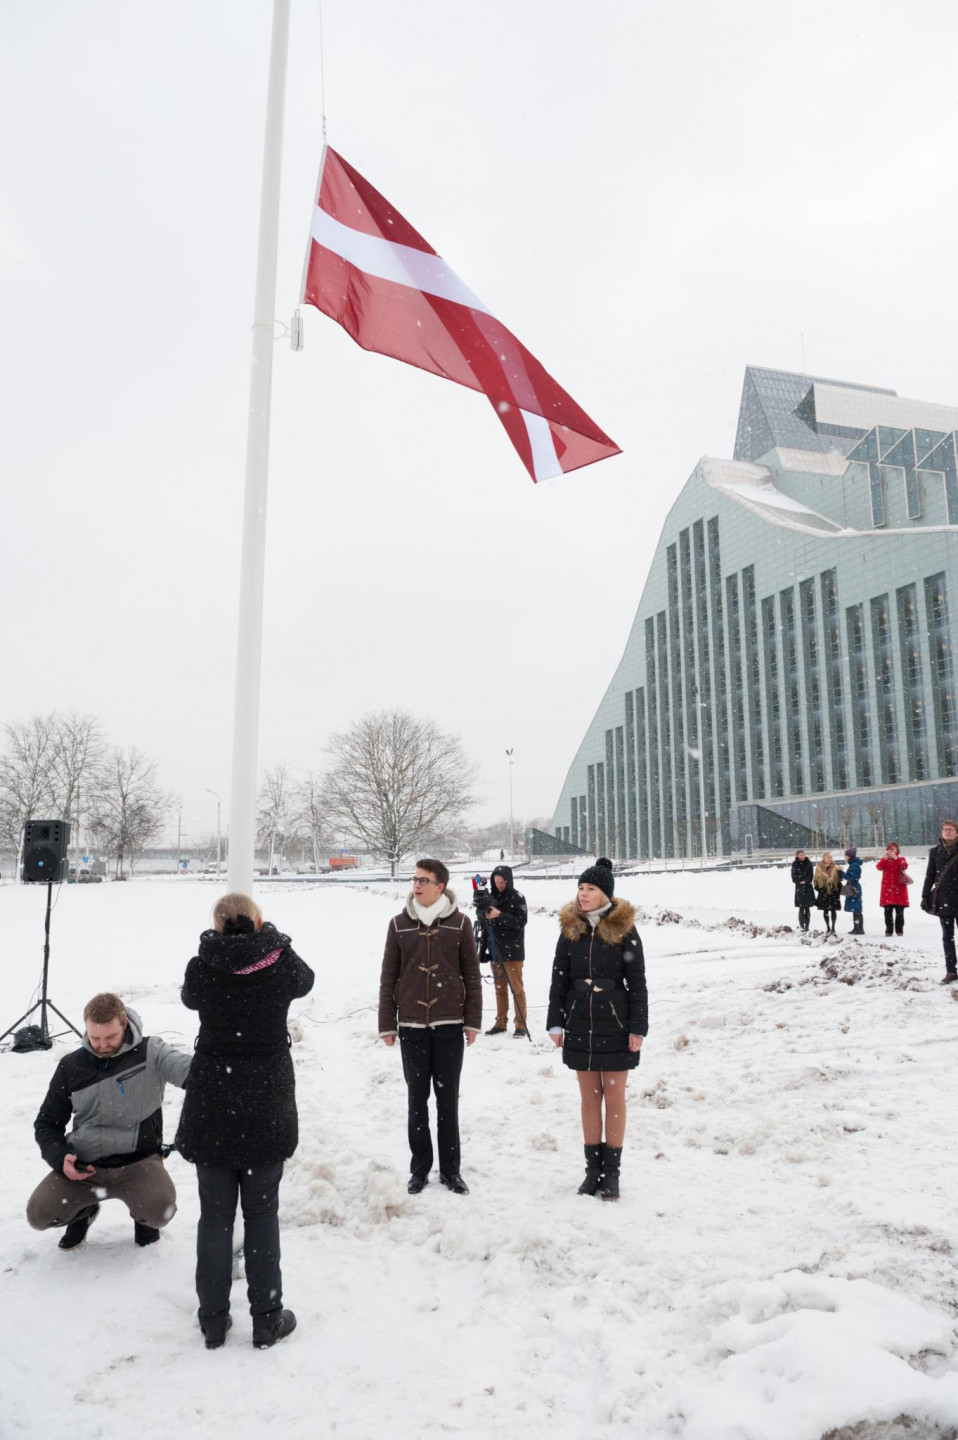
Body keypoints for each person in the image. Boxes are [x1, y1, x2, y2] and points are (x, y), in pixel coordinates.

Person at [174, 893, 314, 1350]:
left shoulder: (203, 966)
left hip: (214, 1100)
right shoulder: (280, 964)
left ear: (216, 925)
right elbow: (305, 980)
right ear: (258, 921)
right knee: (261, 1214)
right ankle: (266, 1319)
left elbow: (190, 997)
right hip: (265, 1102)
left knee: (215, 1218)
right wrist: (271, 938)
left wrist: (220, 943)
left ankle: (213, 1320)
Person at [27, 993, 190, 1250]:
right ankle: (84, 1212)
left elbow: (194, 1075)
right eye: (95, 1038)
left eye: (110, 1037)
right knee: (39, 1215)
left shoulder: (151, 1052)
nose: (102, 1045)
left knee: (160, 1211)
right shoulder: (71, 1066)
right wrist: (60, 1158)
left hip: (139, 1162)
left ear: (124, 1023)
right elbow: (47, 1123)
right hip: (86, 1167)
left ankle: (144, 1219)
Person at [378, 858, 482, 1196]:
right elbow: (388, 977)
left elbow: (472, 976)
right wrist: (387, 1023)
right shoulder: (399, 924)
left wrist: (473, 1021)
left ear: (440, 886)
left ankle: (451, 1170)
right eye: (415, 879)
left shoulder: (460, 923)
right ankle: (419, 1169)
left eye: (424, 880)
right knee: (417, 1100)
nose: (417, 885)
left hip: (450, 1024)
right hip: (411, 1024)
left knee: (448, 1100)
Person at [546, 858, 647, 1202]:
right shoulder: (570, 928)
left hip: (616, 1023)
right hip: (579, 1023)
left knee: (614, 1097)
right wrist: (556, 1021)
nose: (583, 894)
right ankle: (592, 1172)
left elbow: (637, 982)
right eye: (580, 888)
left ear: (605, 893)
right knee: (589, 1098)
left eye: (590, 888)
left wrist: (638, 1028)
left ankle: (612, 1174)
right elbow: (559, 978)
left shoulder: (624, 928)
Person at [480, 865, 529, 1037]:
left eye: (502, 882)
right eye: (496, 882)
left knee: (517, 990)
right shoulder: (490, 897)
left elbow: (520, 922)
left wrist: (499, 915)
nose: (499, 885)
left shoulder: (518, 897)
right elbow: (485, 926)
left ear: (508, 880)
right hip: (495, 951)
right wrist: (483, 949)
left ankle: (521, 1025)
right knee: (500, 989)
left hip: (513, 951)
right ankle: (500, 1023)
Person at [921, 819, 958, 984]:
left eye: (951, 829)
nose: (947, 832)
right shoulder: (935, 852)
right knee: (947, 937)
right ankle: (951, 971)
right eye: (945, 829)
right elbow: (930, 875)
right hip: (944, 899)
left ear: (957, 833)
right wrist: (924, 896)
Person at [876, 842, 910, 937]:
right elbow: (879, 867)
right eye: (890, 850)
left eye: (894, 849)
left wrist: (896, 858)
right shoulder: (885, 860)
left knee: (900, 912)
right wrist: (885, 858)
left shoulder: (901, 859)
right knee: (888, 911)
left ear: (897, 850)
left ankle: (899, 930)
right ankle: (889, 930)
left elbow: (904, 866)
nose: (892, 852)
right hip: (887, 888)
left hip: (899, 888)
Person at [813, 852, 844, 935]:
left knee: (833, 910)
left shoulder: (835, 867)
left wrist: (840, 873)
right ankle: (828, 927)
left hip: (833, 892)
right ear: (824, 859)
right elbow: (815, 881)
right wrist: (820, 889)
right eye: (828, 858)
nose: (830, 859)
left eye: (830, 857)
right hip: (824, 892)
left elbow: (839, 881)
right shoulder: (819, 868)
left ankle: (833, 927)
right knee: (825, 910)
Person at [791, 849, 814, 932]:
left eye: (803, 854)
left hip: (808, 887)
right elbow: (793, 876)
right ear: (797, 856)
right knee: (801, 907)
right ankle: (802, 926)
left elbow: (811, 875)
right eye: (800, 855)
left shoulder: (809, 863)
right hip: (799, 888)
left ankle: (807, 926)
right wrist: (800, 880)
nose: (802, 856)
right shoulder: (795, 864)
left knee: (807, 908)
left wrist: (806, 881)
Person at [843, 846, 864, 936]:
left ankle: (859, 928)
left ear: (850, 856)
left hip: (853, 887)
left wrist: (842, 873)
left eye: (846, 855)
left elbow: (851, 877)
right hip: (853, 887)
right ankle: (856, 927)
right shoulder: (853, 864)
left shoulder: (854, 865)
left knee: (856, 909)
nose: (845, 857)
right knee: (854, 909)